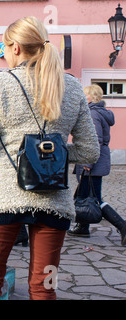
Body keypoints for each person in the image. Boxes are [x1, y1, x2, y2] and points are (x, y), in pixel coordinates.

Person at [0, 16, 100, 300]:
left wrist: (10, 152)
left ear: (14, 48)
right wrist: (54, 156)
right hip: (55, 202)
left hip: (4, 196)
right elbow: (89, 151)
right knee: (45, 285)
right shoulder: (73, 86)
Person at [68, 84, 126, 245]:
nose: (83, 97)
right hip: (97, 161)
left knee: (94, 199)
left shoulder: (92, 113)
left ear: (92, 97)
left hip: (92, 162)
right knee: (83, 196)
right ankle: (82, 227)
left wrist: (87, 162)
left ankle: (122, 226)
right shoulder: (101, 112)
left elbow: (96, 141)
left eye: (85, 95)